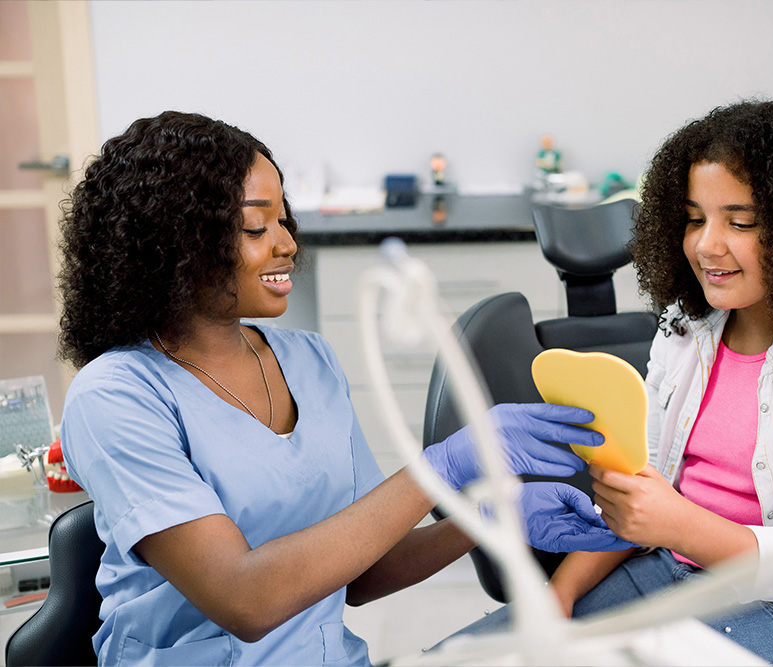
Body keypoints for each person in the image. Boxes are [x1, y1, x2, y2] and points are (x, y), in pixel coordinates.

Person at [56, 111, 628, 666]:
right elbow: (244, 599)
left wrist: (489, 513)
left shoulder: (310, 362)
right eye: (256, 226)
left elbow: (365, 572)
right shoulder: (116, 396)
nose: (286, 244)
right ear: (175, 242)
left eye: (284, 220)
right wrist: (438, 470)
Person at [451, 100, 773, 667]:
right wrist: (563, 593)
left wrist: (675, 523)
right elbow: (643, 490)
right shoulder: (686, 329)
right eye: (696, 219)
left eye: (741, 222)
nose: (706, 245)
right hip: (670, 567)